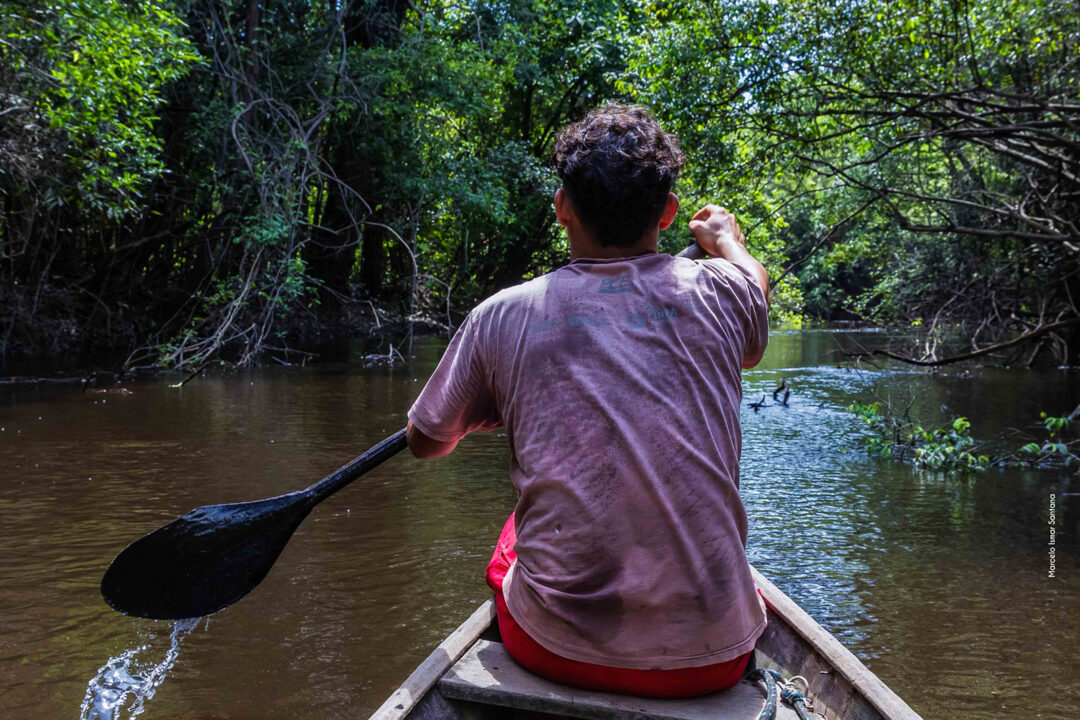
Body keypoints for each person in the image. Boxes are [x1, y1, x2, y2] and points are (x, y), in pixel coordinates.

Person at [406, 104, 770, 698]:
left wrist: (494, 406)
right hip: (712, 660)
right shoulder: (723, 293)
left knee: (515, 529)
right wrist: (727, 241)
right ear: (668, 213)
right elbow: (753, 296)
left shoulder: (501, 315)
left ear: (562, 207)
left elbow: (426, 442)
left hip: (552, 650)